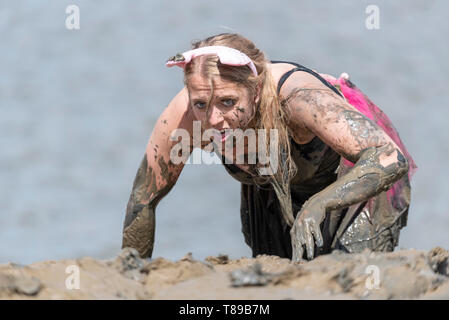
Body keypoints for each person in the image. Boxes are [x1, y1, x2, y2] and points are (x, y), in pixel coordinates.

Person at [121, 33, 417, 262]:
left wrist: (321, 203)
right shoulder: (184, 115)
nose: (212, 120)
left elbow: (388, 158)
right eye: (201, 104)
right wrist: (132, 282)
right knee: (276, 284)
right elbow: (143, 200)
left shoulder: (299, 98)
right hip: (275, 188)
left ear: (256, 90)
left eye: (228, 102)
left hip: (357, 179)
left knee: (347, 281)